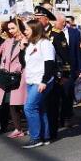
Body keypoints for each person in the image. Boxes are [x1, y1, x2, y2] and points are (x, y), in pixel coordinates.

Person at [21, 20, 57, 149]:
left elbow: (49, 64)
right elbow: (24, 62)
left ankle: (35, 138)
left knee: (29, 108)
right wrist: (22, 48)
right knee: (40, 109)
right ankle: (45, 136)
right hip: (31, 80)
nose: (24, 32)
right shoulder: (30, 44)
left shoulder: (45, 44)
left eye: (27, 29)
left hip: (41, 81)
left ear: (35, 29)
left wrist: (44, 81)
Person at [0, 19, 28, 137]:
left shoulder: (26, 40)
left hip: (20, 75)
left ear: (19, 27)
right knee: (11, 103)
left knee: (22, 103)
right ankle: (18, 129)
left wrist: (24, 43)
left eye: (13, 28)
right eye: (9, 29)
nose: (11, 31)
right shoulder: (8, 41)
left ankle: (31, 126)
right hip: (7, 76)